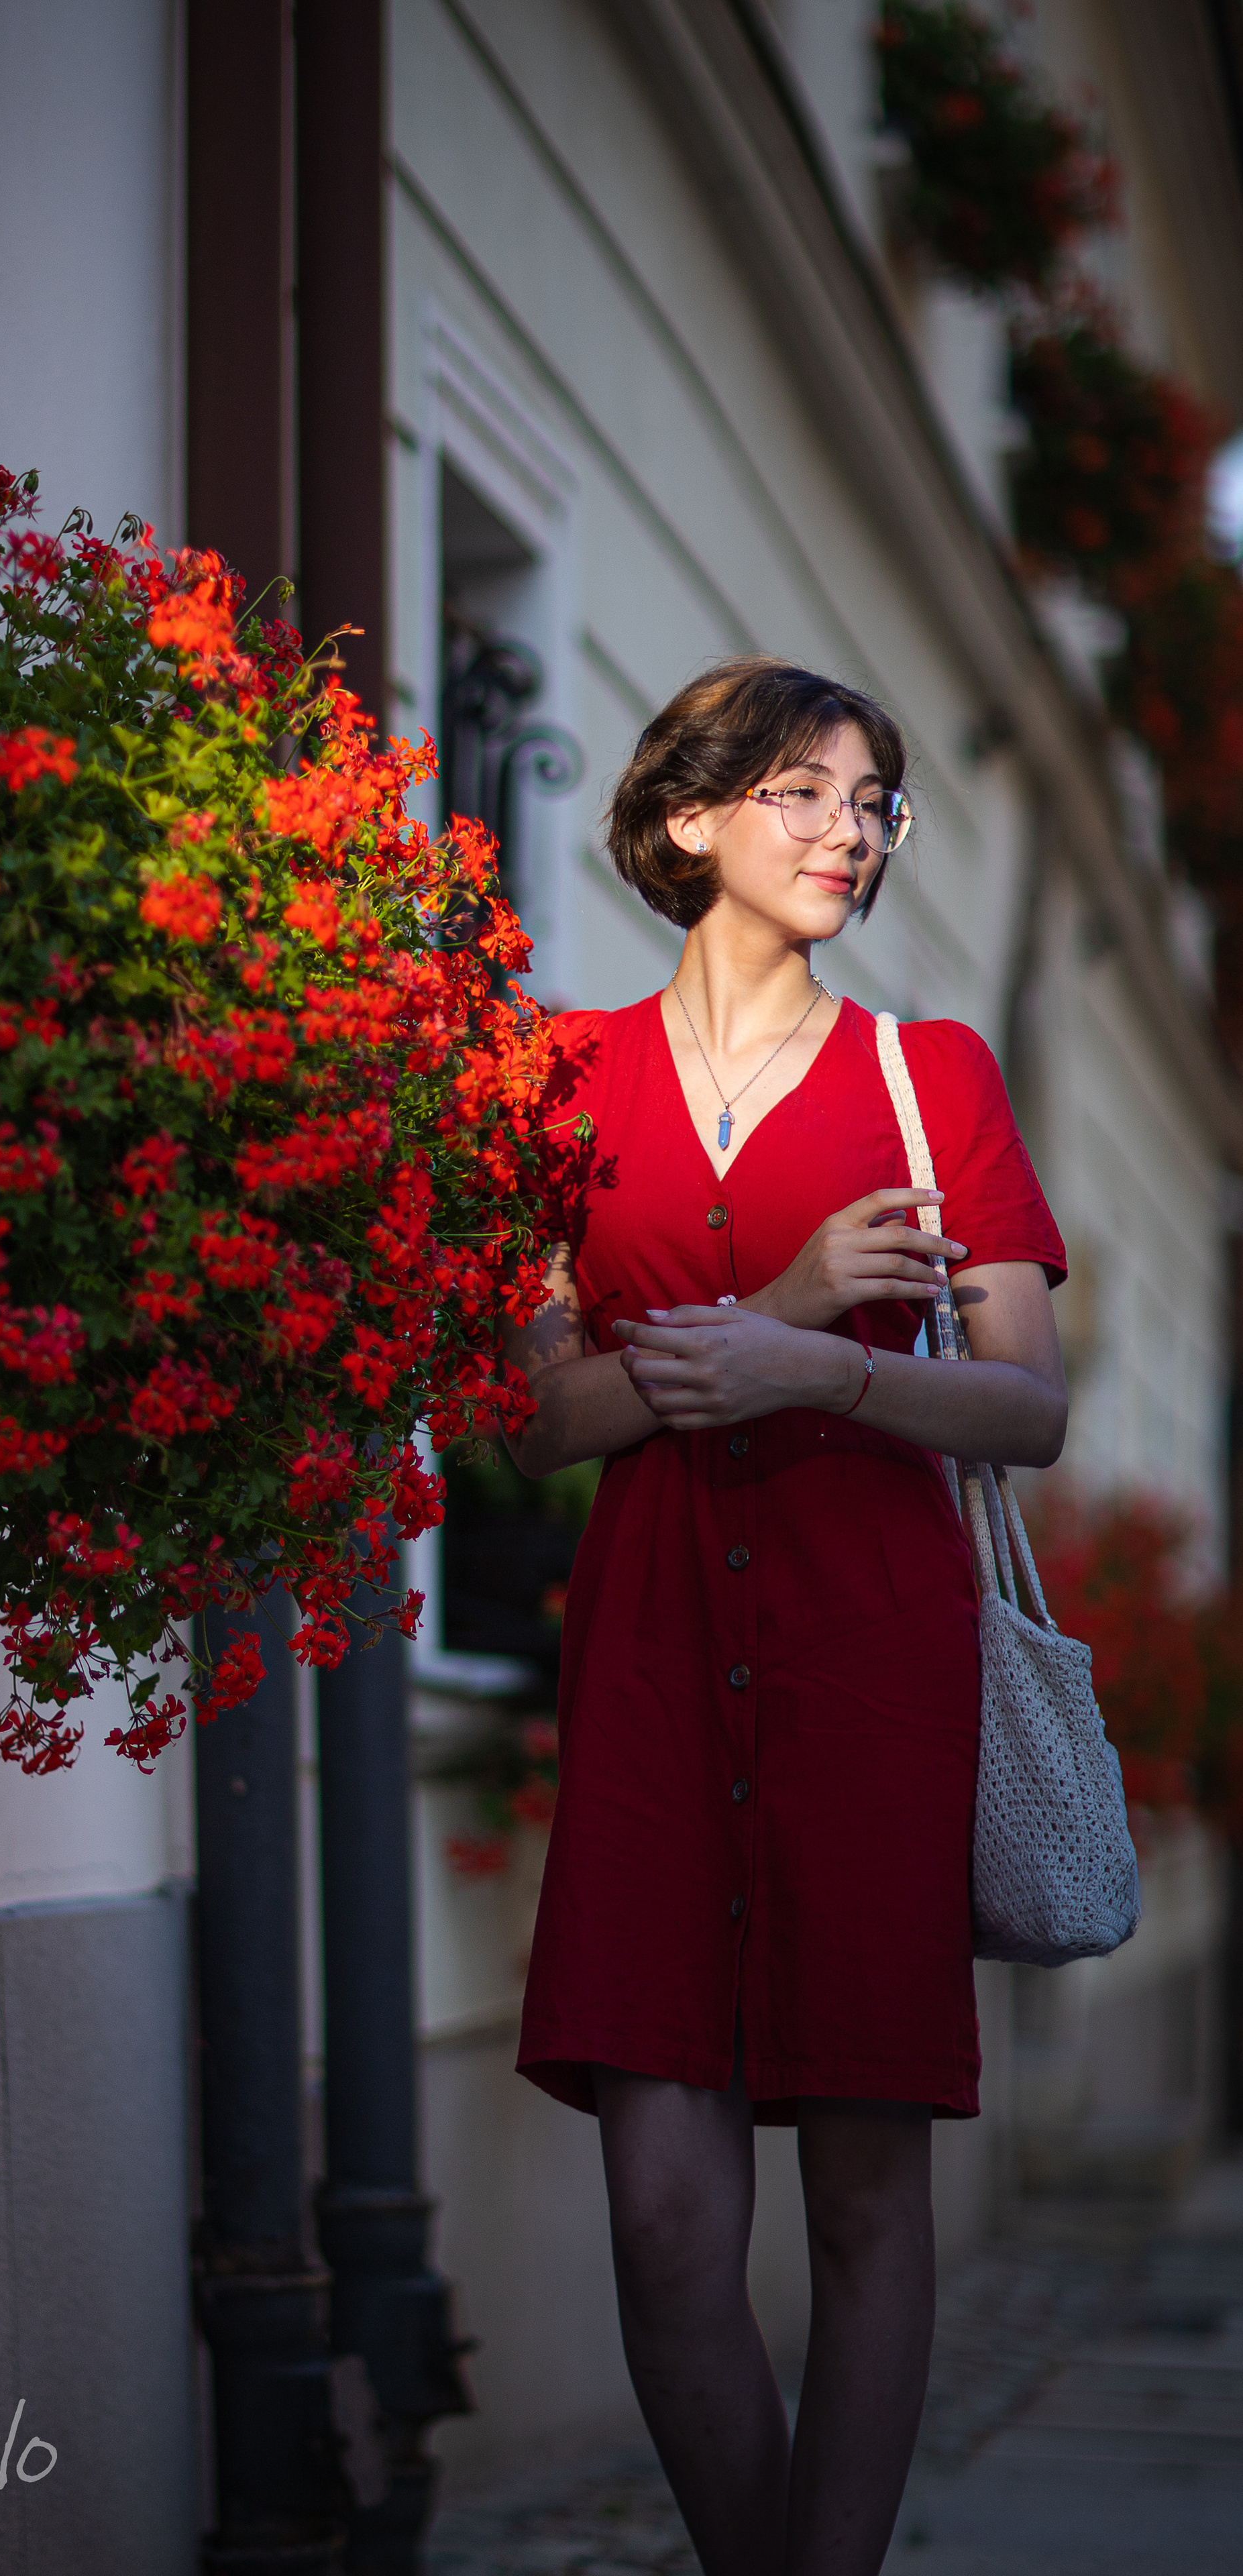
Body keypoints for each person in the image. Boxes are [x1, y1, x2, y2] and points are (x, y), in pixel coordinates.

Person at [507, 656, 1067, 2576]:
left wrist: (820, 1366)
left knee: (862, 2205)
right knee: (664, 2223)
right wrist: (785, 1312)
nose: (850, 832)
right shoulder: (558, 1085)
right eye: (803, 792)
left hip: (872, 1668)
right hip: (655, 1673)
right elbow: (530, 1421)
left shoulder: (933, 1081)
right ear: (690, 819)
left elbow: (1031, 1406)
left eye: (873, 802)